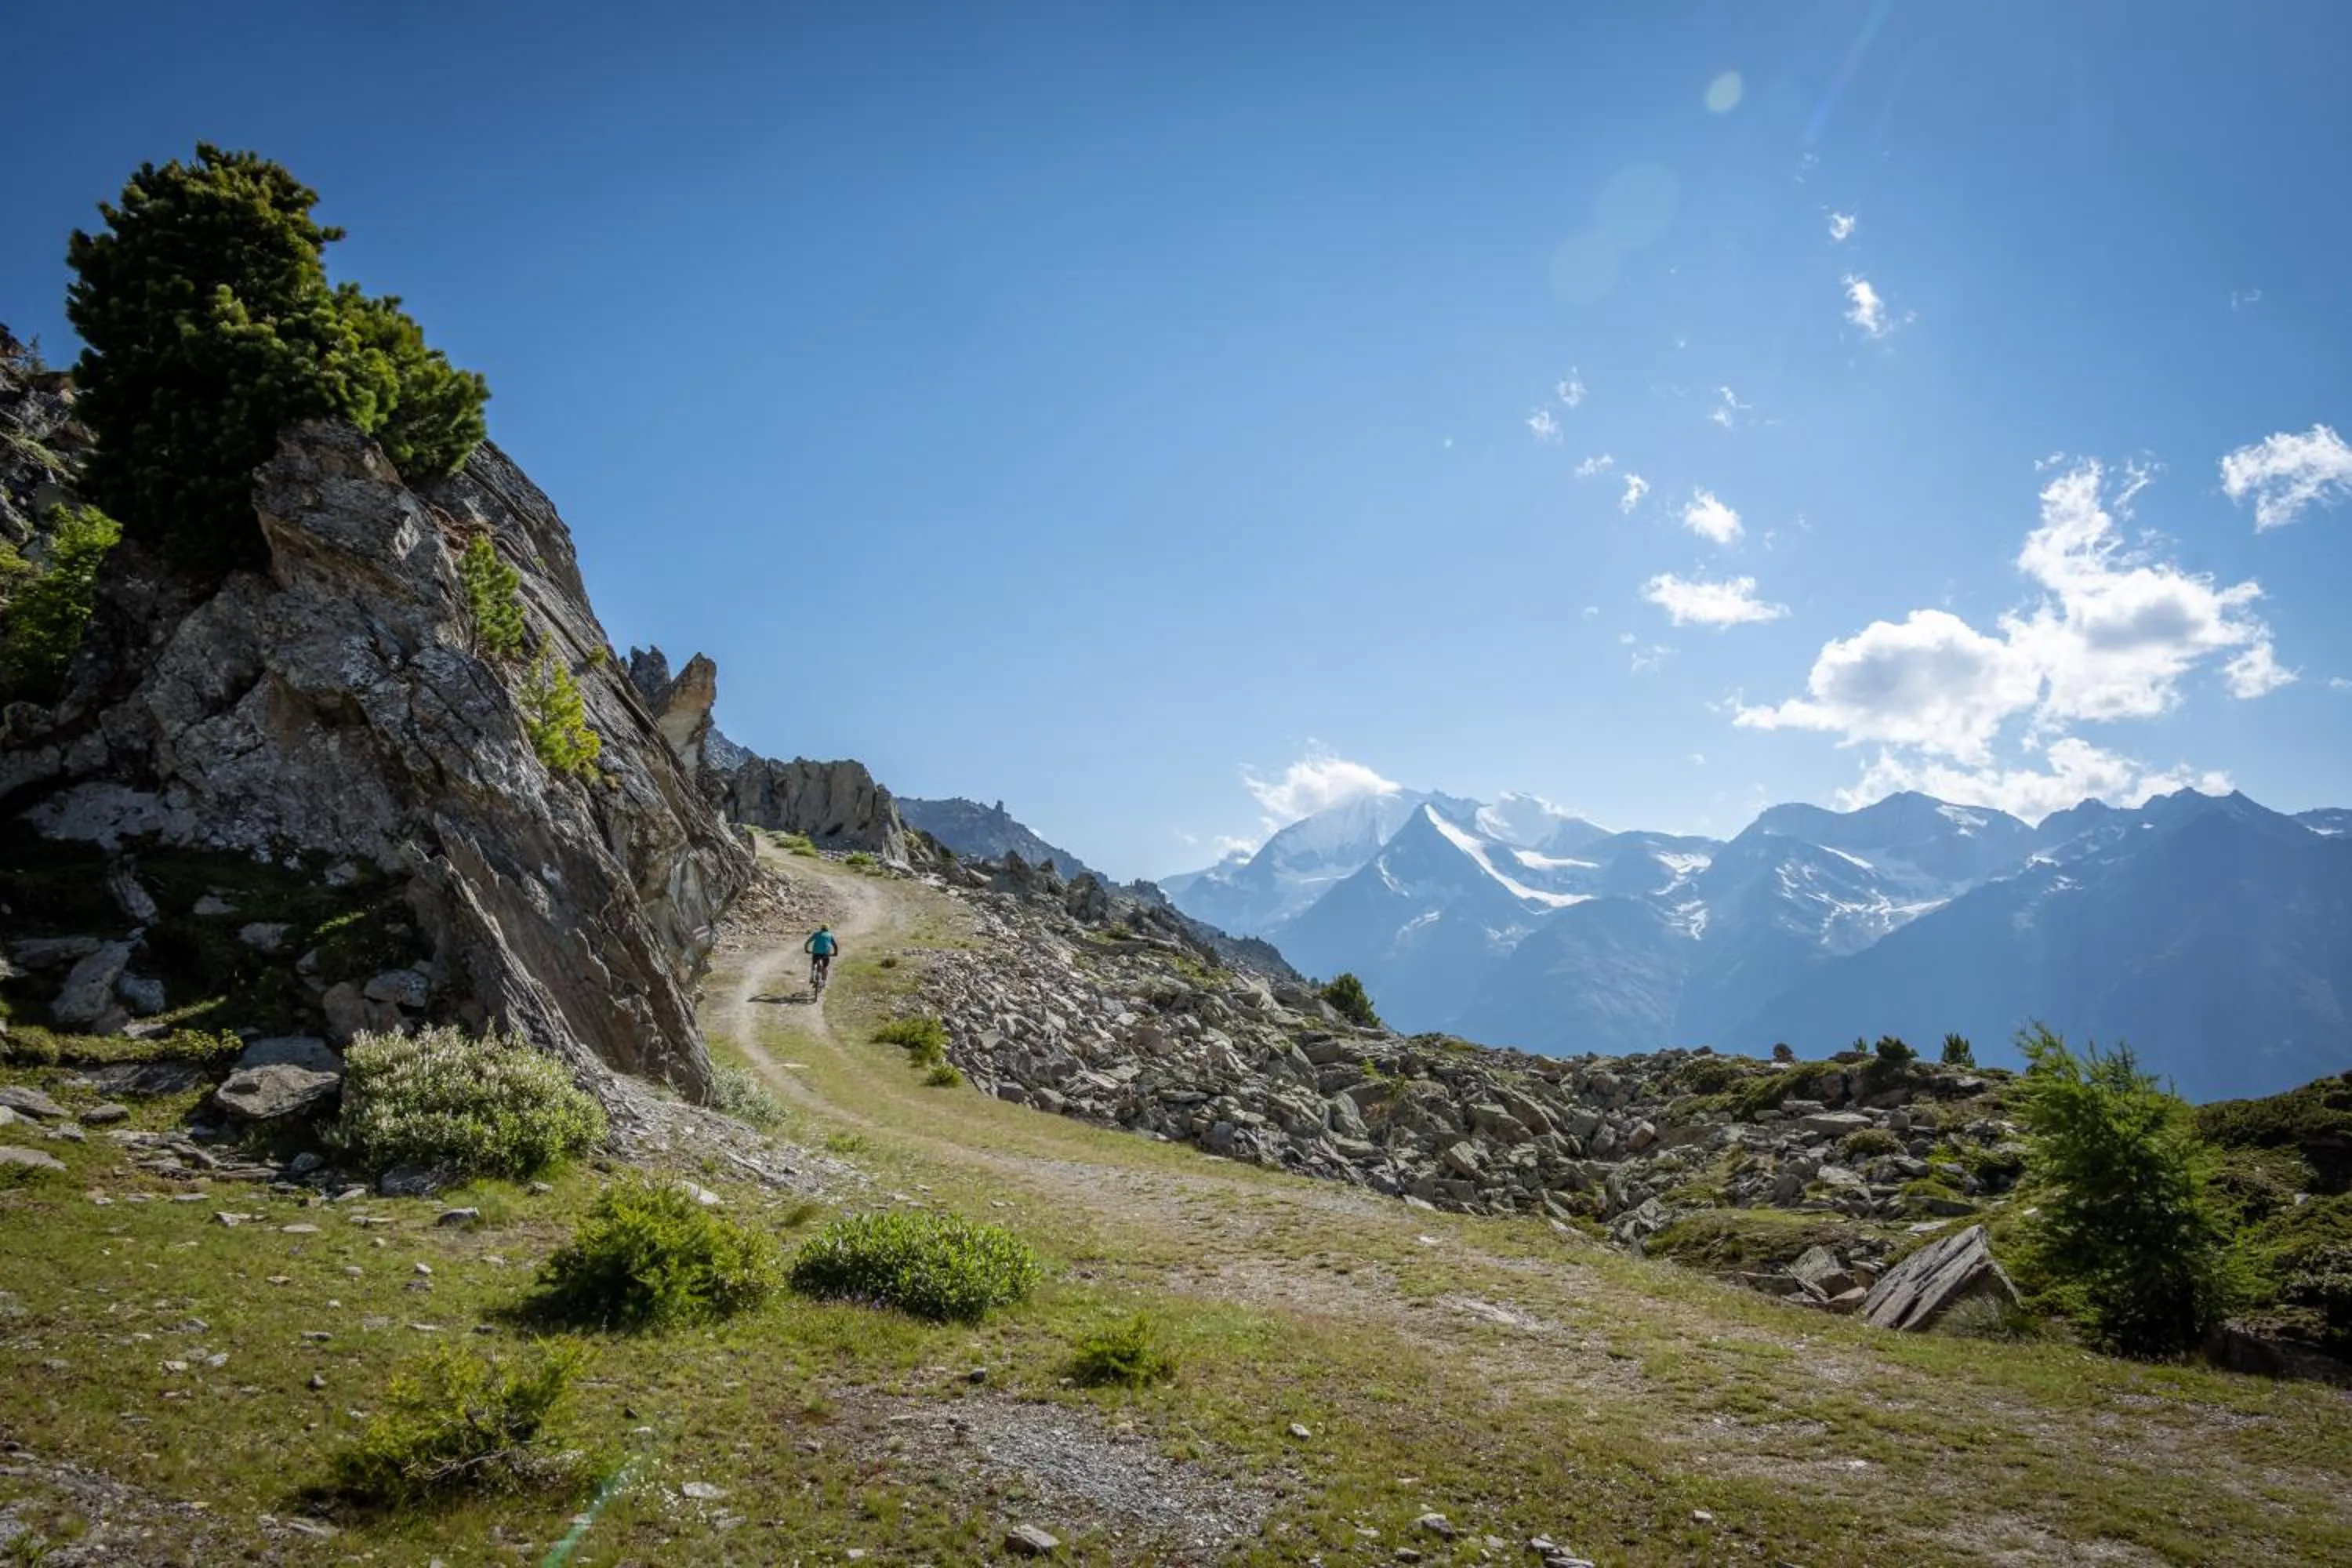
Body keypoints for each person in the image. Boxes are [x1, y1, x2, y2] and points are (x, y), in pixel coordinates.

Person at [804, 924, 839, 993]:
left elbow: (807, 942)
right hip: (826, 954)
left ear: (821, 929)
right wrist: (835, 953)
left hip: (816, 953)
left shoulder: (816, 934)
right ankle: (824, 982)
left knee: (814, 964)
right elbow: (835, 945)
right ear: (828, 929)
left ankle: (812, 976)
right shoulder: (830, 935)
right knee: (825, 967)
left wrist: (806, 950)